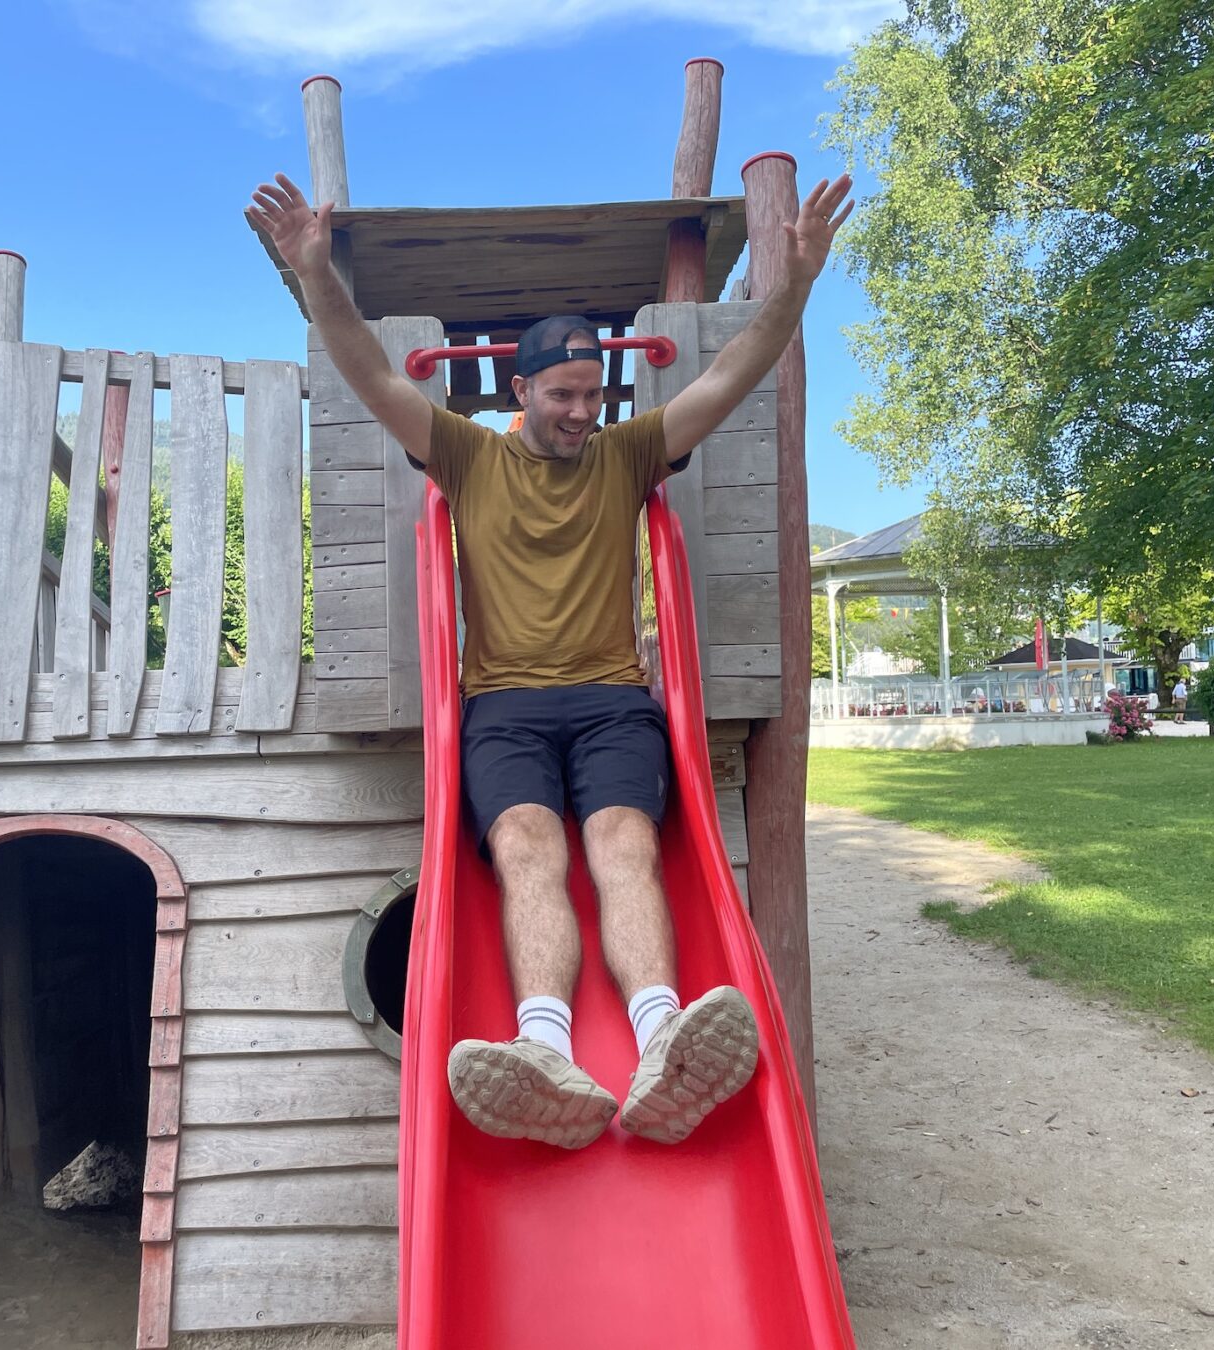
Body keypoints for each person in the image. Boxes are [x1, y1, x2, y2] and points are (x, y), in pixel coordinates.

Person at [250, 169, 851, 1149]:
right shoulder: (467, 456)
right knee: (529, 849)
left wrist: (796, 286)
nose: (583, 412)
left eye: (594, 394)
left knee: (621, 844)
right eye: (564, 395)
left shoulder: (629, 453)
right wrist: (318, 277)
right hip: (504, 708)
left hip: (614, 701)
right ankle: (547, 1054)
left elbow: (733, 373)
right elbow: (366, 372)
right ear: (521, 388)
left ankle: (663, 1044)